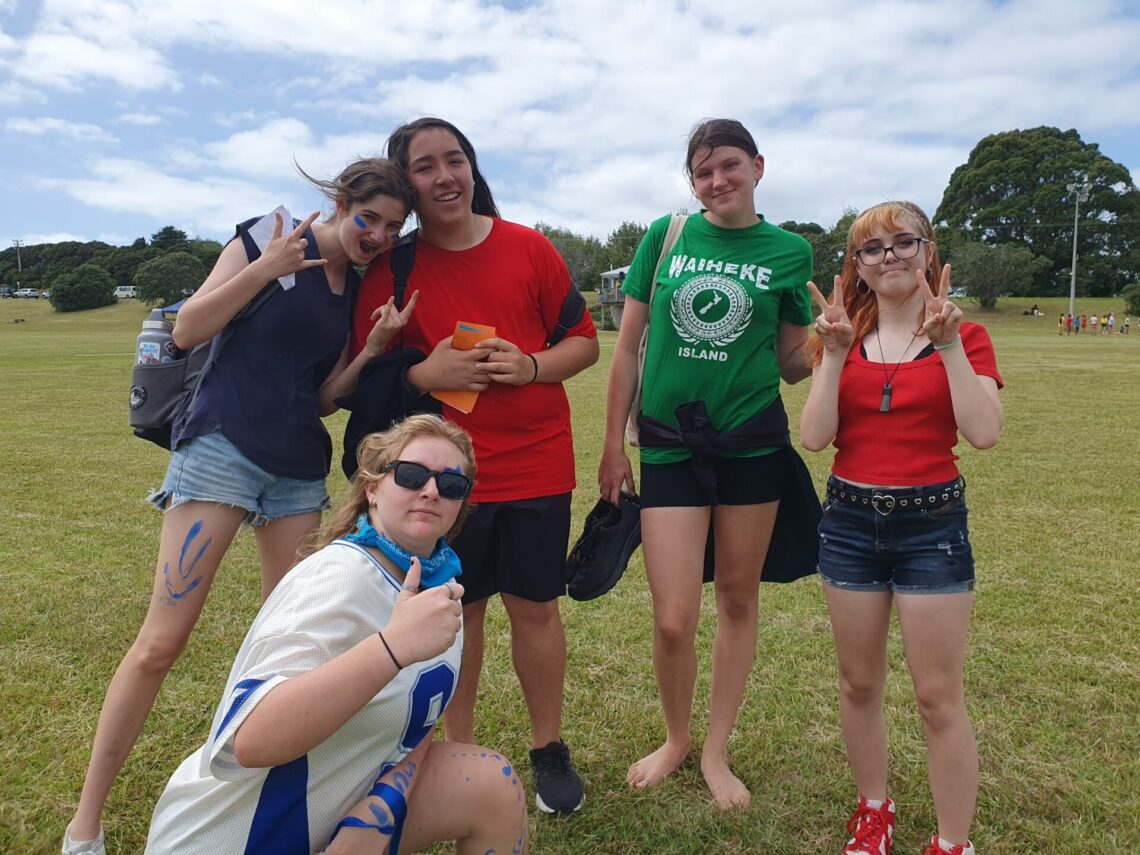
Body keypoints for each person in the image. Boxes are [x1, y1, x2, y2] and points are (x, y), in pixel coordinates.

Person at [64, 159, 416, 855]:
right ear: (340, 201)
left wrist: (371, 348)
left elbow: (321, 397)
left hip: (295, 470)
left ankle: (254, 810)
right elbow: (189, 327)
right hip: (221, 448)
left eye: (391, 226)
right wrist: (267, 267)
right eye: (368, 217)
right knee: (161, 641)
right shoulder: (271, 233)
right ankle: (86, 822)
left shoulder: (352, 290)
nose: (377, 234)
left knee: (289, 649)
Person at [350, 117, 599, 815]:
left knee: (537, 609)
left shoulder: (529, 248)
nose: (444, 176)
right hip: (443, 479)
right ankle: (457, 746)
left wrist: (531, 365)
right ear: (408, 182)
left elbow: (584, 343)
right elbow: (366, 376)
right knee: (457, 612)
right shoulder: (392, 268)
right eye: (425, 167)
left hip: (537, 466)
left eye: (453, 159)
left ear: (472, 165)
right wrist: (427, 372)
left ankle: (548, 747)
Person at [145, 415, 529, 854]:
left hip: (329, 820)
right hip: (232, 836)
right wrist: (391, 649)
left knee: (492, 787)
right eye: (411, 474)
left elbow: (418, 719)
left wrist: (382, 807)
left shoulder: (437, 583)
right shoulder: (338, 577)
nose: (430, 491)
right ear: (372, 489)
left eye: (451, 484)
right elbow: (250, 739)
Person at [598, 118, 815, 808]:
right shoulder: (666, 239)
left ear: (757, 165)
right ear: (691, 182)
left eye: (728, 165)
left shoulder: (788, 251)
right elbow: (628, 347)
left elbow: (787, 362)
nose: (716, 180)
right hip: (667, 446)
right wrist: (611, 444)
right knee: (672, 615)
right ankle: (676, 738)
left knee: (738, 597)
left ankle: (716, 748)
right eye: (702, 171)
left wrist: (831, 345)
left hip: (752, 444)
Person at [800, 201, 1004, 855]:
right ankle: (874, 809)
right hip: (851, 522)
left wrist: (946, 346)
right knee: (859, 682)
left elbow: (983, 431)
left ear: (928, 252)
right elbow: (814, 436)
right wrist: (831, 355)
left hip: (932, 525)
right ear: (856, 267)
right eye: (872, 248)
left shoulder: (963, 336)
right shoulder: (841, 335)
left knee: (937, 694)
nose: (889, 257)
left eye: (902, 243)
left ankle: (952, 841)